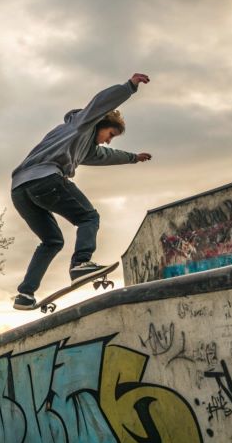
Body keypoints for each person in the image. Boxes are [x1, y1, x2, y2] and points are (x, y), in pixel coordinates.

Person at [11, 73, 153, 310]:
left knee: (52, 241)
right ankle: (81, 263)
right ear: (101, 123)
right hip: (45, 179)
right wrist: (129, 87)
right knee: (89, 217)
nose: (109, 141)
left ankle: (25, 294)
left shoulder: (87, 149)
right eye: (110, 135)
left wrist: (132, 158)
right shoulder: (83, 123)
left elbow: (107, 156)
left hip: (19, 190)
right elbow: (101, 103)